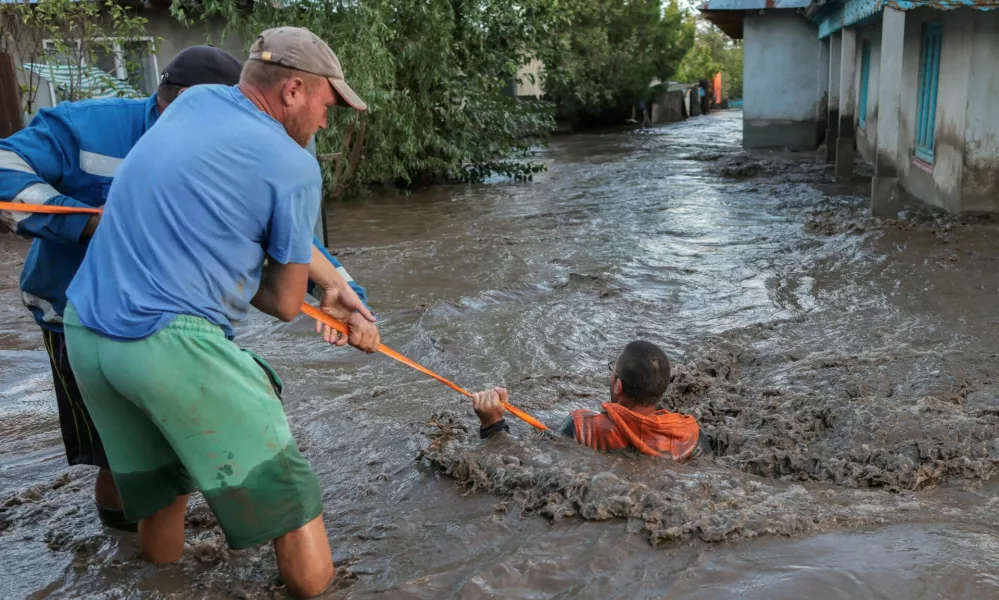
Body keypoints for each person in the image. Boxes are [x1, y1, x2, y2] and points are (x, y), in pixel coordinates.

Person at [62, 26, 375, 598]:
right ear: (293, 91)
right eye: (328, 105)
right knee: (291, 499)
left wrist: (333, 284)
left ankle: (165, 588)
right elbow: (281, 303)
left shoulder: (195, 101)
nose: (328, 122)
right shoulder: (295, 166)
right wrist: (320, 297)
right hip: (166, 342)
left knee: (165, 494)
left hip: (86, 332)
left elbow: (207, 208)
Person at [0, 45, 244, 531]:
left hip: (175, 321)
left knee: (183, 440)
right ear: (175, 103)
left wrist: (341, 292)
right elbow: (4, 166)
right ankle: (123, 551)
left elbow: (279, 238)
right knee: (115, 451)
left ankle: (149, 544)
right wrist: (89, 223)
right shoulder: (88, 127)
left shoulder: (228, 147)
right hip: (74, 315)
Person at [471, 341, 705, 461]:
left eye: (613, 370)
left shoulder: (581, 427)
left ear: (618, 386)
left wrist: (493, 426)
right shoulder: (691, 436)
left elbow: (525, 464)